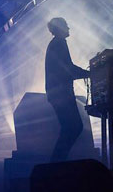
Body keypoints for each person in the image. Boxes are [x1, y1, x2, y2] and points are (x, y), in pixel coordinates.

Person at [45, 17, 89, 162]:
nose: (69, 29)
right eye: (66, 26)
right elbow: (67, 69)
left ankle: (57, 162)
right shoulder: (59, 44)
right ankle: (56, 162)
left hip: (57, 93)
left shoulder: (56, 43)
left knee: (70, 127)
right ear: (60, 28)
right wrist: (89, 73)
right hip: (61, 94)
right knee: (74, 127)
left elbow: (65, 68)